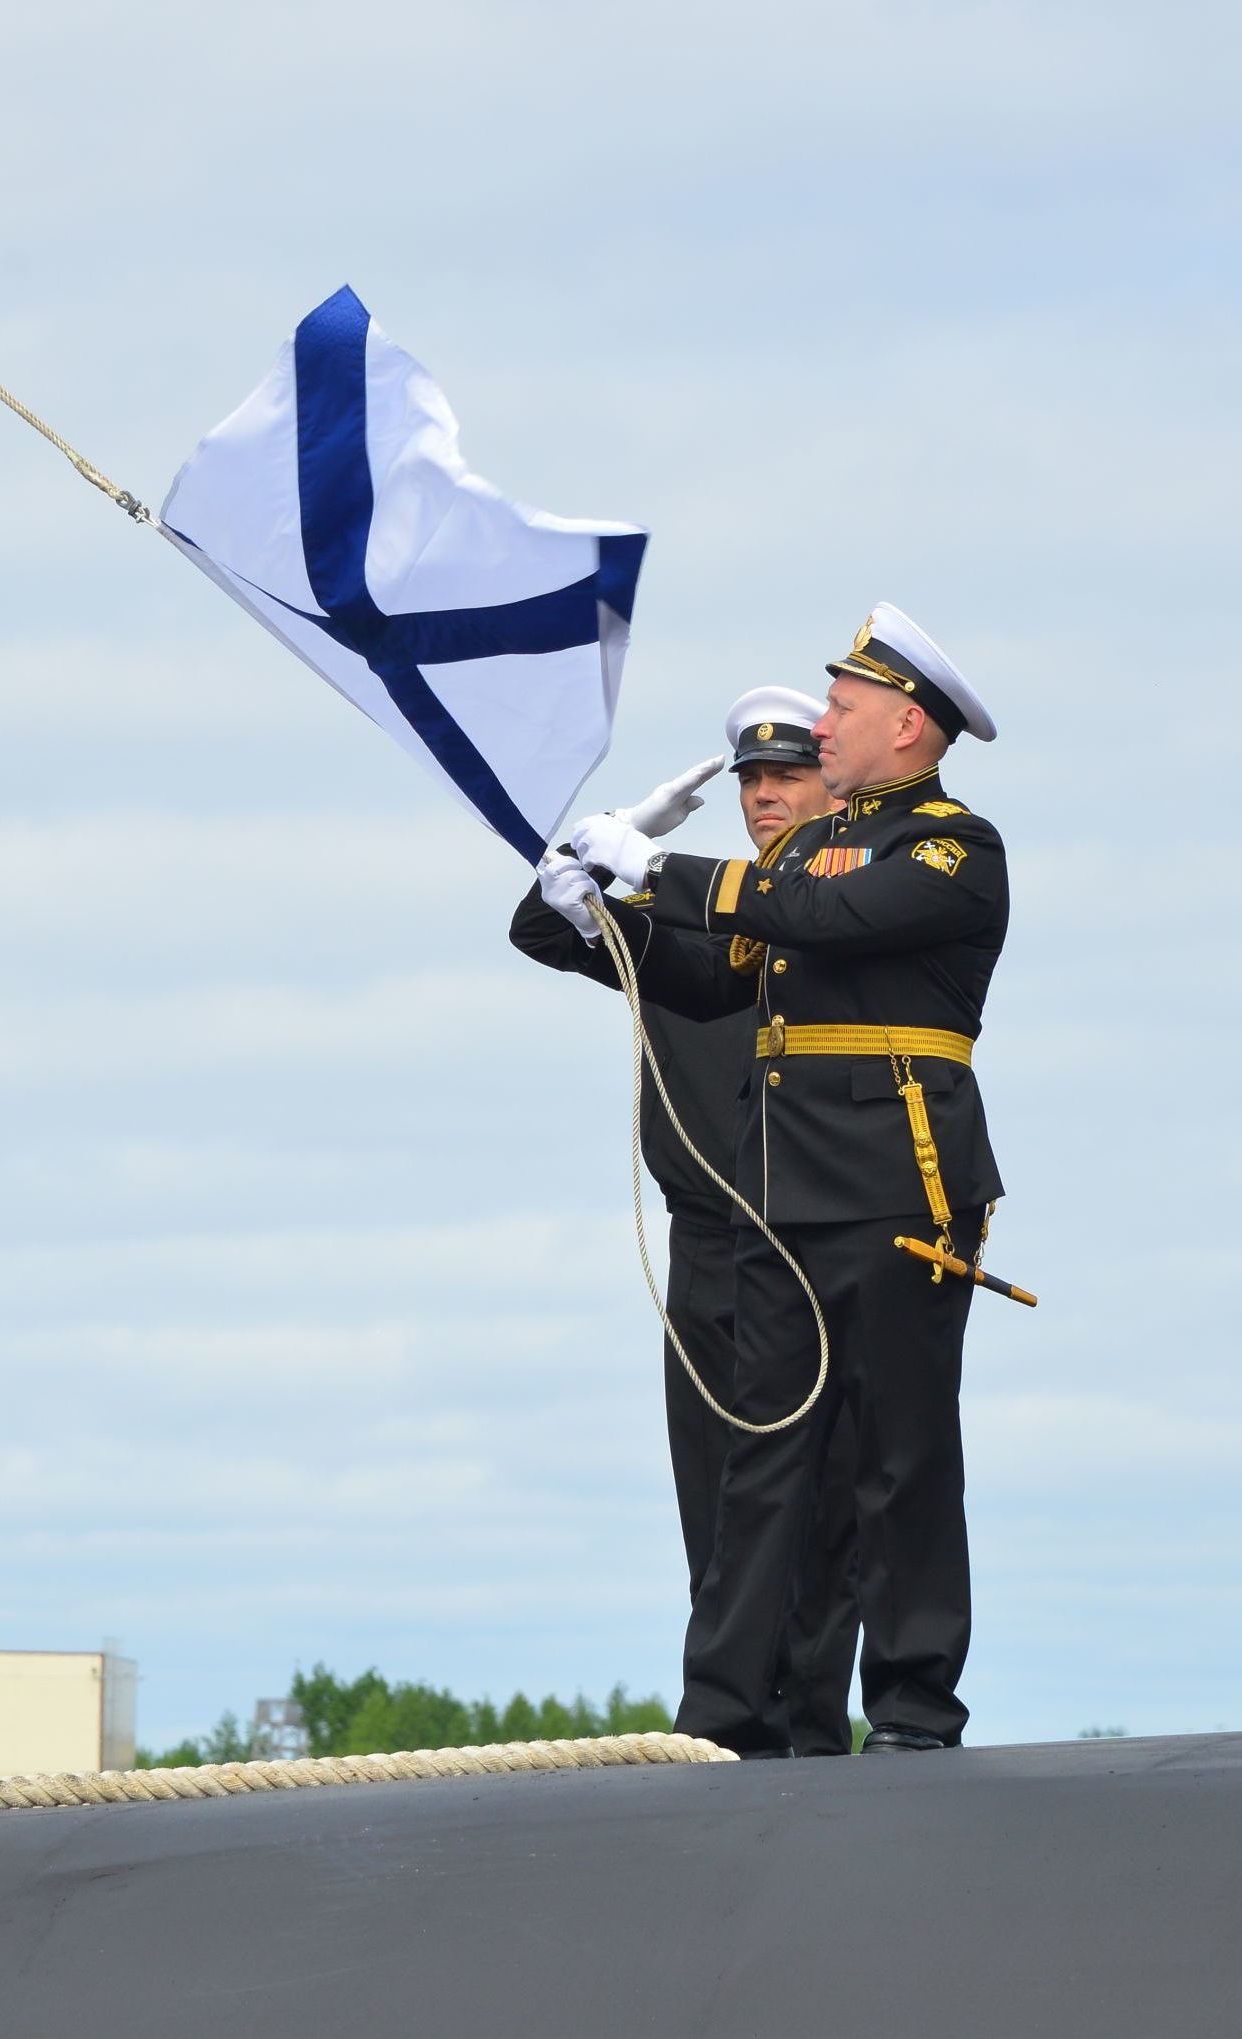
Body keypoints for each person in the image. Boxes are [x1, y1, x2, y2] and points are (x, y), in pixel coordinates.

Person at [559, 604, 1008, 1756]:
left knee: (903, 1452)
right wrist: (599, 905)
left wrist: (665, 869)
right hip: (783, 1193)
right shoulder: (805, 850)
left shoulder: (954, 847)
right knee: (760, 1466)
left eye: (845, 708)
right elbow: (716, 977)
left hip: (896, 1186)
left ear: (910, 724)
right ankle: (721, 1710)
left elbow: (821, 916)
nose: (825, 724)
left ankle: (911, 1707)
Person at [510, 691, 860, 1755]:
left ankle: (807, 1721)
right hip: (706, 1237)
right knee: (712, 1493)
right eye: (751, 782)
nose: (763, 797)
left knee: (824, 1498)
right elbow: (540, 925)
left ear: (831, 782)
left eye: (788, 776)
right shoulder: (690, 910)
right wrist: (618, 839)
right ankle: (736, 1721)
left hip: (810, 1238)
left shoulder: (848, 907)